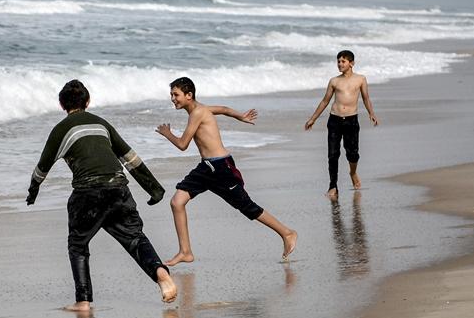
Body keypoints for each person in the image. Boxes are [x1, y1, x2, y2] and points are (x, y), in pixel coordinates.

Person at [28, 79, 178, 311]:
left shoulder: (60, 130)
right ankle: (161, 275)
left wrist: (33, 191)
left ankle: (83, 301)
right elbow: (130, 158)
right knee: (135, 238)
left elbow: (42, 167)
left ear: (61, 105)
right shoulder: (101, 124)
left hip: (88, 194)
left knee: (78, 244)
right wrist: (154, 189)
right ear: (87, 102)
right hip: (119, 189)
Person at [155, 76, 297, 265]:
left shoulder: (197, 113)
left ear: (189, 95)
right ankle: (185, 252)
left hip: (221, 168)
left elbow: (183, 144)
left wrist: (167, 134)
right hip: (206, 167)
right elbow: (222, 109)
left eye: (176, 94)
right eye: (171, 94)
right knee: (177, 202)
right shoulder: (201, 109)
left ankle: (287, 233)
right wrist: (240, 116)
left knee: (247, 207)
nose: (173, 98)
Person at [304, 49, 379, 199]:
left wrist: (371, 113)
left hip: (351, 120)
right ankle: (333, 186)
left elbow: (366, 98)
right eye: (338, 61)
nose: (339, 64)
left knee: (352, 153)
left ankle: (353, 172)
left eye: (343, 61)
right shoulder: (334, 81)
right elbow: (325, 101)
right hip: (334, 120)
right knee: (333, 155)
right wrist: (313, 118)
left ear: (351, 63)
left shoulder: (361, 79)